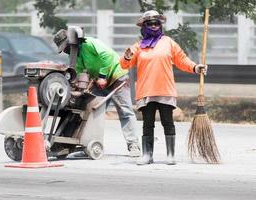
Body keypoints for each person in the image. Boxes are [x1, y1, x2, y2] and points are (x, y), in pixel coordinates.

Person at [120, 10, 207, 165]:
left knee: (168, 122)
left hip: (165, 89)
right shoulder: (138, 46)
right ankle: (147, 155)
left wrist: (196, 67)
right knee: (147, 124)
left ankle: (170, 155)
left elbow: (182, 60)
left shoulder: (168, 42)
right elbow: (125, 64)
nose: (154, 26)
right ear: (144, 27)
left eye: (156, 23)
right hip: (146, 91)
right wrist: (126, 56)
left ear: (160, 25)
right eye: (150, 24)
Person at [53, 27, 141, 157]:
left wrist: (102, 76)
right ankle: (88, 143)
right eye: (64, 50)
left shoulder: (89, 43)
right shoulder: (74, 56)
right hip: (99, 82)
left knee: (125, 112)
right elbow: (78, 72)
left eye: (66, 47)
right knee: (89, 111)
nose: (66, 51)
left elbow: (107, 56)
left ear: (72, 42)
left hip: (117, 76)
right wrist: (77, 87)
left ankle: (133, 145)